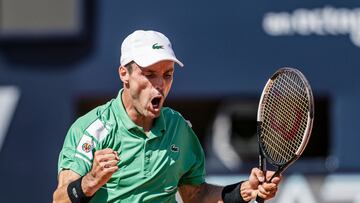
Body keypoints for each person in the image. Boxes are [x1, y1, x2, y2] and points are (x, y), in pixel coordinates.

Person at [53, 30, 281, 203]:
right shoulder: (92, 129)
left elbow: (195, 194)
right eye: (149, 74)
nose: (160, 85)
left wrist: (244, 190)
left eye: (167, 75)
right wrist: (90, 181)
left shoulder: (179, 129)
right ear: (125, 74)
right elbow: (60, 198)